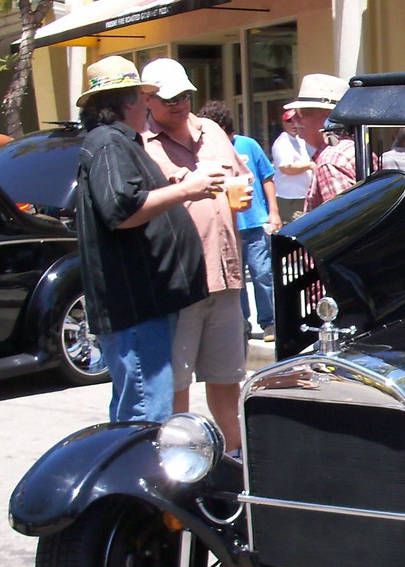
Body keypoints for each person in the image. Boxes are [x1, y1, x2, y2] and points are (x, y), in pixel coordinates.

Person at [73, 55, 213, 424]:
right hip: (135, 306)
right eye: (141, 97)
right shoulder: (109, 143)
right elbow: (122, 211)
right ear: (128, 102)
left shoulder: (116, 143)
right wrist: (187, 191)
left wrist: (174, 186)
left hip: (144, 304)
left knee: (142, 409)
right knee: (145, 416)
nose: (146, 106)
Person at [140, 57, 251, 455]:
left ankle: (234, 457)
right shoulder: (141, 144)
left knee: (227, 376)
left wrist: (243, 191)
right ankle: (180, 459)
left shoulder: (213, 131)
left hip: (225, 274)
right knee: (176, 383)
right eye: (169, 99)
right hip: (179, 282)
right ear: (147, 99)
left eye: (184, 96)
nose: (179, 104)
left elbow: (241, 177)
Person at [198, 100, 281, 343]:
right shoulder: (204, 150)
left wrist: (274, 211)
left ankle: (269, 321)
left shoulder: (247, 145)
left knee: (262, 272)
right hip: (225, 226)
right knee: (235, 280)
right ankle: (241, 323)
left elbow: (267, 177)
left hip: (253, 223)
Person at [285, 74, 349, 211]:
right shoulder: (350, 149)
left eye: (304, 112)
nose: (295, 119)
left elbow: (343, 219)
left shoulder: (330, 161)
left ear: (330, 117)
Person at [271, 109, 315, 224]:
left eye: (296, 119)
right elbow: (286, 168)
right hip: (290, 198)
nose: (294, 124)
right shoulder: (282, 142)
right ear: (283, 123)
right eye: (289, 121)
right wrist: (310, 166)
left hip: (304, 196)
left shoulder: (300, 140)